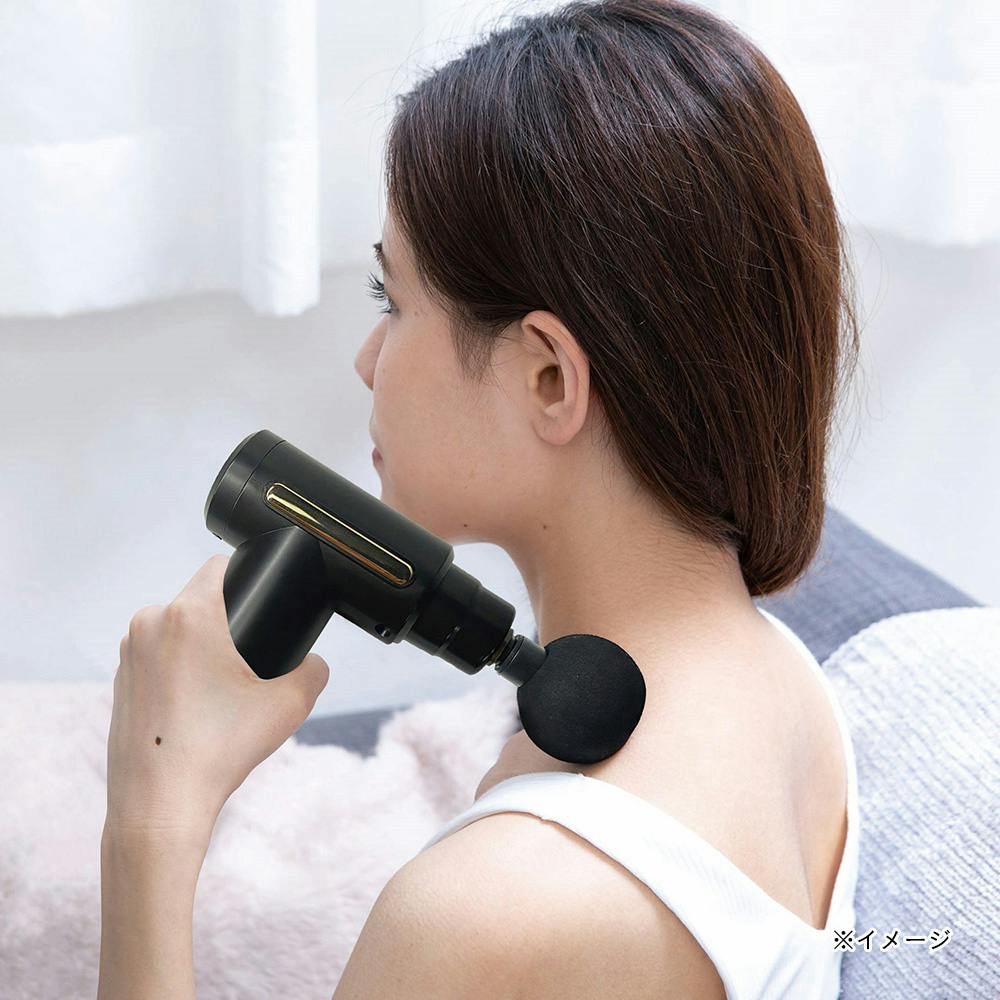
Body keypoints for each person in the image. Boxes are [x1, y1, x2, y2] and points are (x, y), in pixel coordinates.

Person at [342, 1, 862, 997]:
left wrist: (153, 820)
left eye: (392, 302)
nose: (368, 360)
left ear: (549, 376)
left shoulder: (482, 911)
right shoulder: (781, 679)